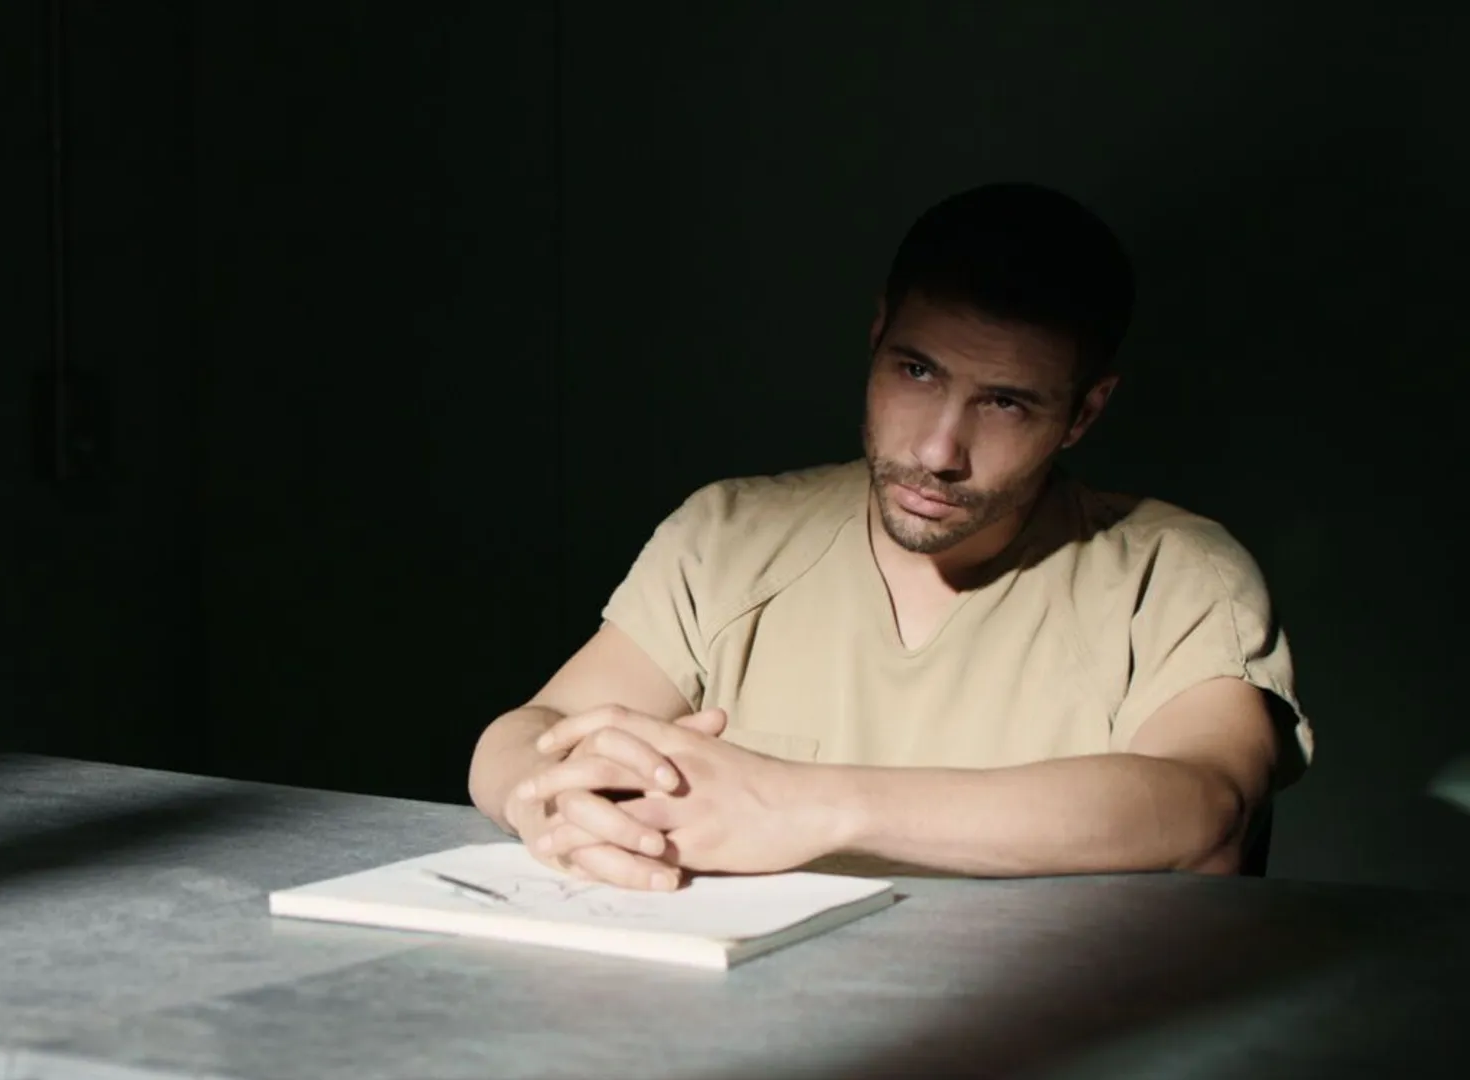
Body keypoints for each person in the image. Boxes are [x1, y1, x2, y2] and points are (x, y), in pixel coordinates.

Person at [466, 182, 1313, 890]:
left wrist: (808, 804)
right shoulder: (729, 535)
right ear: (876, 338)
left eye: (1004, 403)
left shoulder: (1174, 574)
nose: (939, 450)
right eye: (917, 371)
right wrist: (553, 803)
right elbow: (528, 732)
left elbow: (1206, 805)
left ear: (1084, 413)